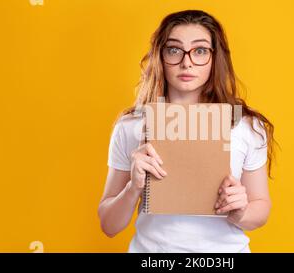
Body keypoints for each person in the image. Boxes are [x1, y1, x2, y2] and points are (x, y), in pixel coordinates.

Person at [98, 10, 276, 253]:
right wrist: (133, 187)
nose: (187, 62)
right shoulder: (131, 126)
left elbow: (261, 207)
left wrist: (240, 211)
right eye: (174, 50)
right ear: (160, 56)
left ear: (215, 58)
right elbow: (109, 225)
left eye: (200, 50)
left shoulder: (245, 126)